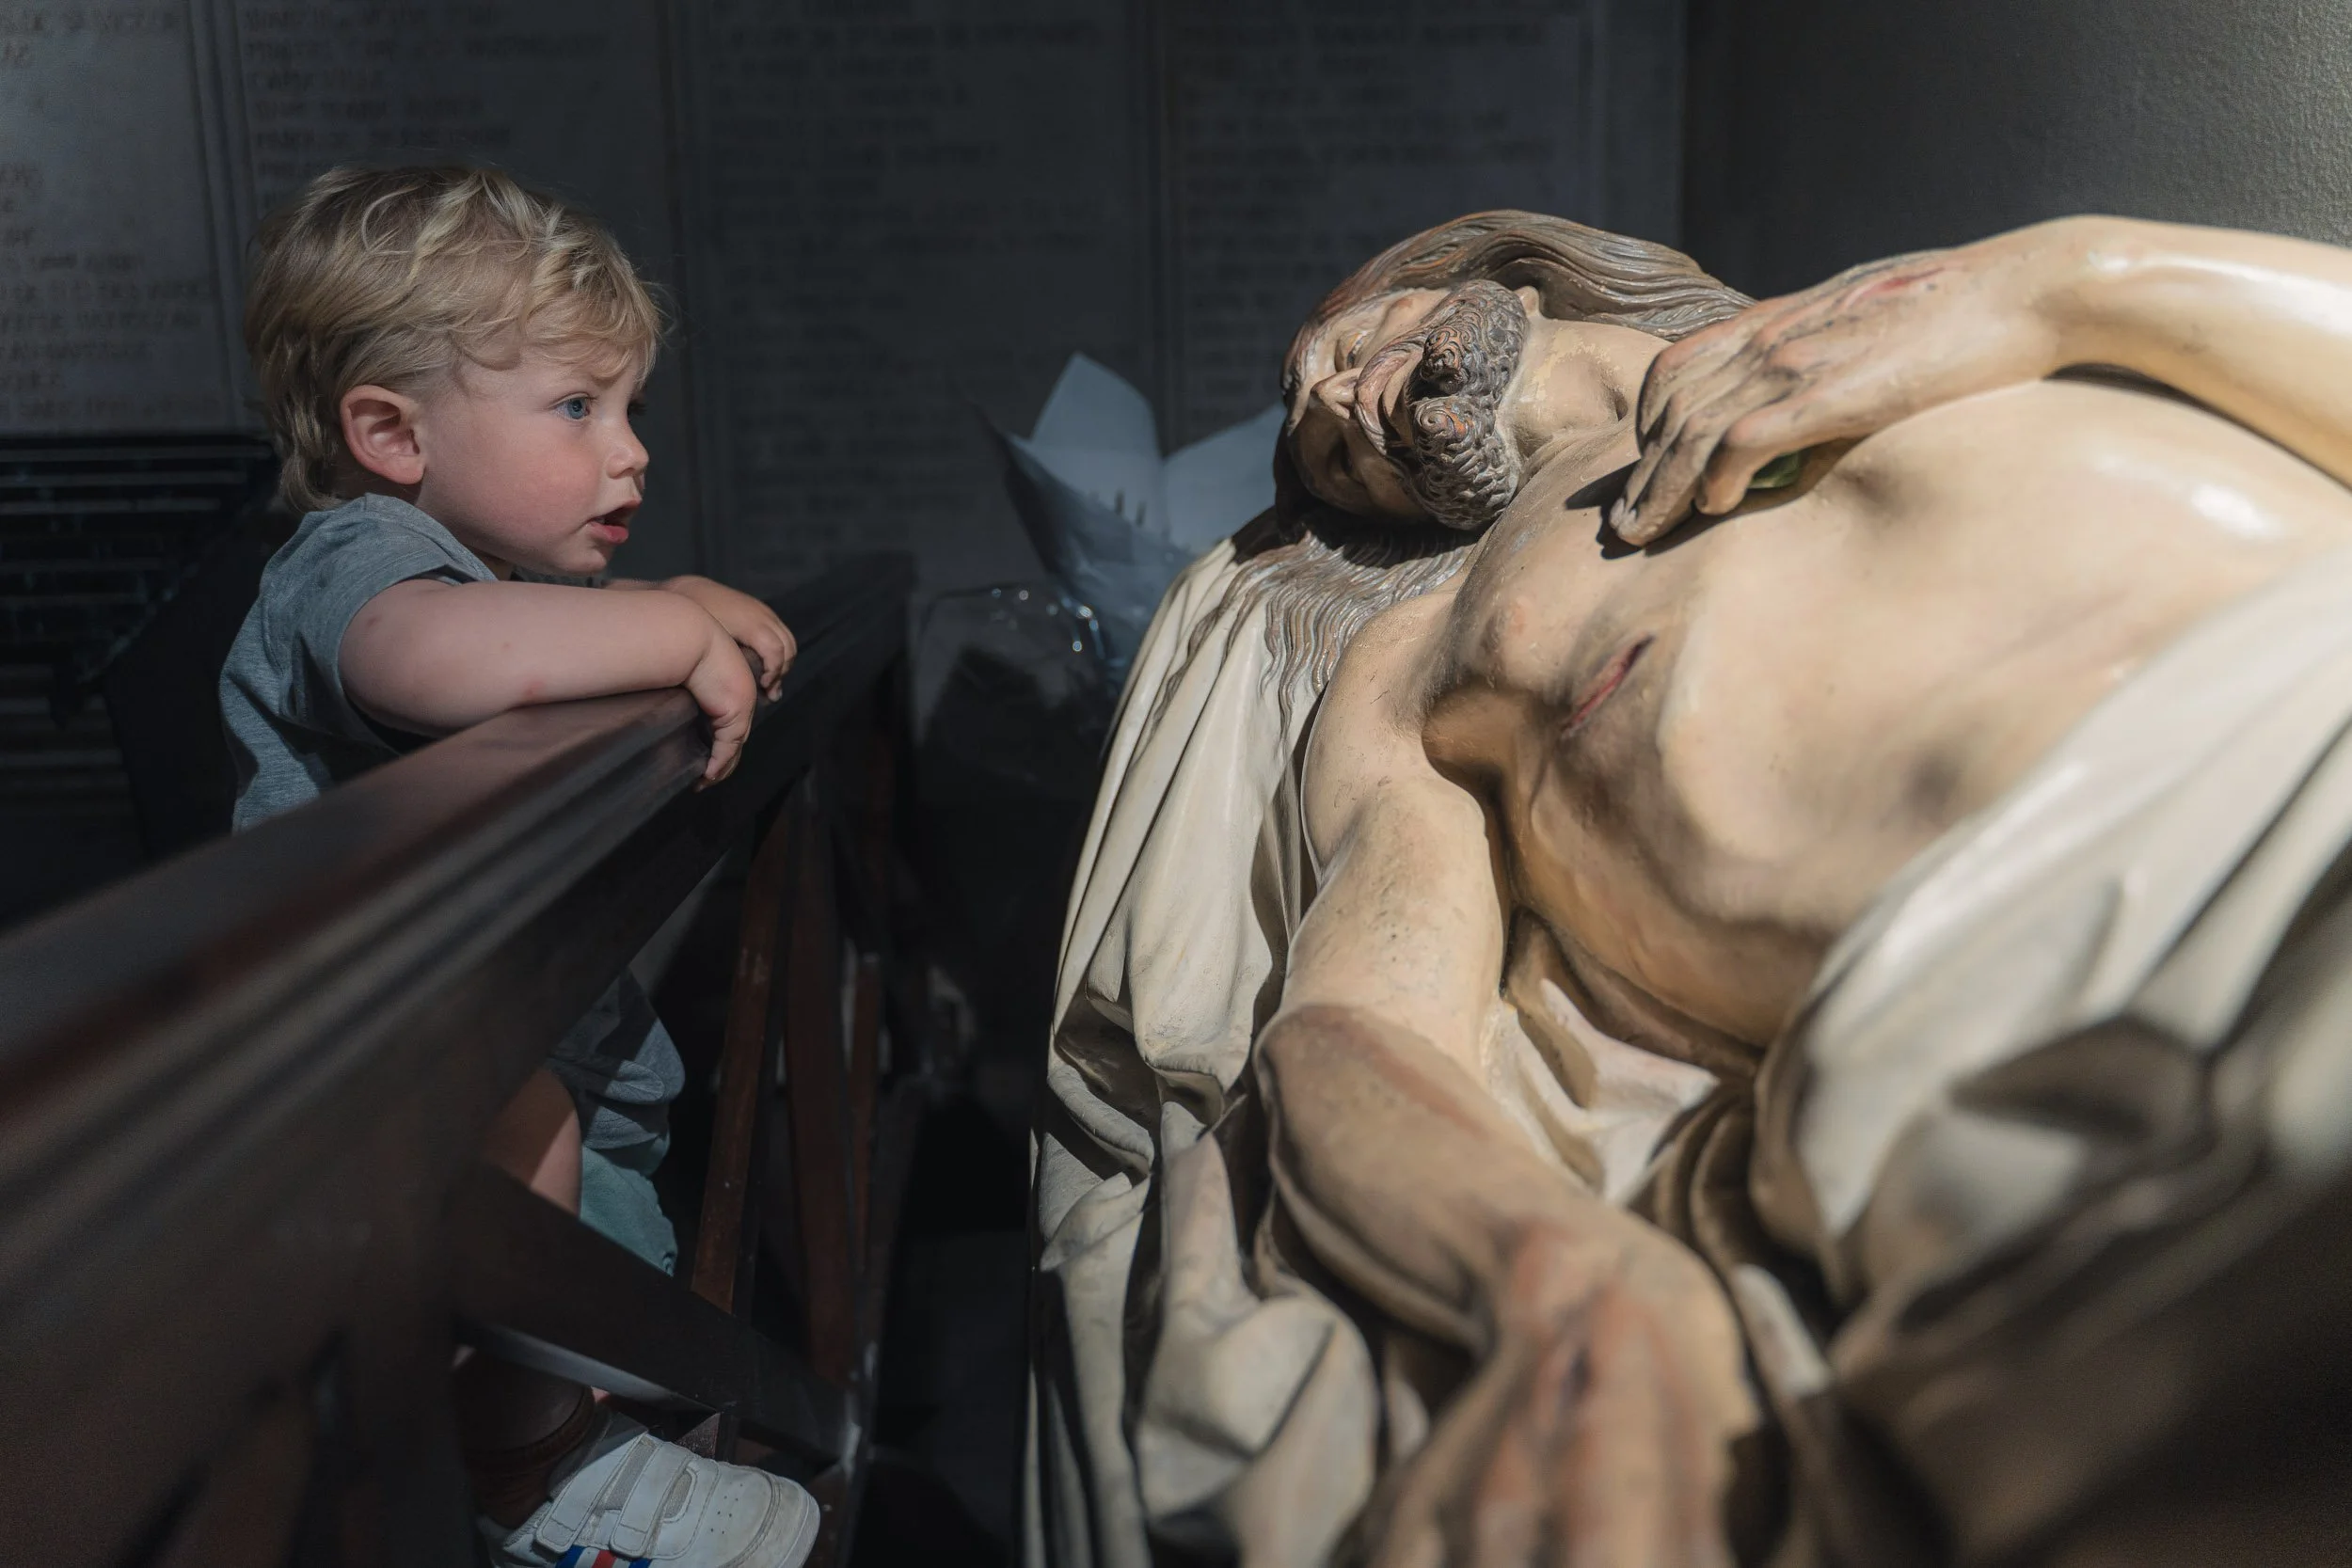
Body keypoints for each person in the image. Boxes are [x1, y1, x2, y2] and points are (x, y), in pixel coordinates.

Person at [1039, 210, 2352, 1567]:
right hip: (2002, 1008)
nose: (1336, 403)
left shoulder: (1919, 306)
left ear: (1496, 278)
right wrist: (1553, 1266)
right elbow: (1355, 1027)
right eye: (1322, 452)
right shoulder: (1427, 656)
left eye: (1346, 346)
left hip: (2307, 717)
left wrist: (2063, 279)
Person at [222, 164, 818, 1568]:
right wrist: (668, 632)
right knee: (522, 1168)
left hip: (508, 1076)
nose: (632, 454)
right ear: (390, 432)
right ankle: (534, 1473)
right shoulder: (353, 559)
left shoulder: (465, 567)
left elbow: (509, 634)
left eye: (630, 410)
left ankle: (557, 1462)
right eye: (577, 407)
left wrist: (661, 601)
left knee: (570, 1238)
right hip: (403, 1110)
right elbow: (428, 660)